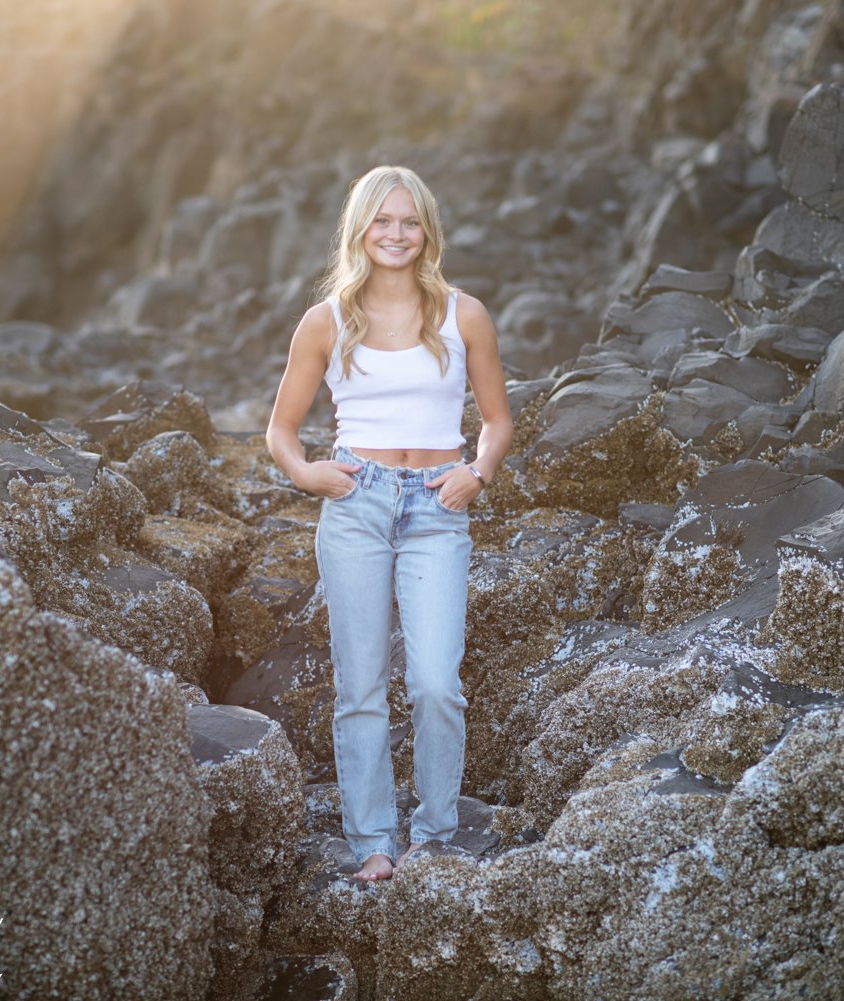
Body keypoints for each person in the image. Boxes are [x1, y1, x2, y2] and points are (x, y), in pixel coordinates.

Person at [266, 165, 512, 882]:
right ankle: (373, 839)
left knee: (437, 681)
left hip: (439, 507)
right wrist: (309, 473)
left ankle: (433, 834)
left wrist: (479, 471)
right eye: (383, 221)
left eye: (410, 222)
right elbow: (281, 430)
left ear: (427, 230)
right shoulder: (327, 321)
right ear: (361, 230)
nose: (397, 235)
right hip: (357, 504)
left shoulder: (464, 314)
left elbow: (497, 420)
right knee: (362, 686)